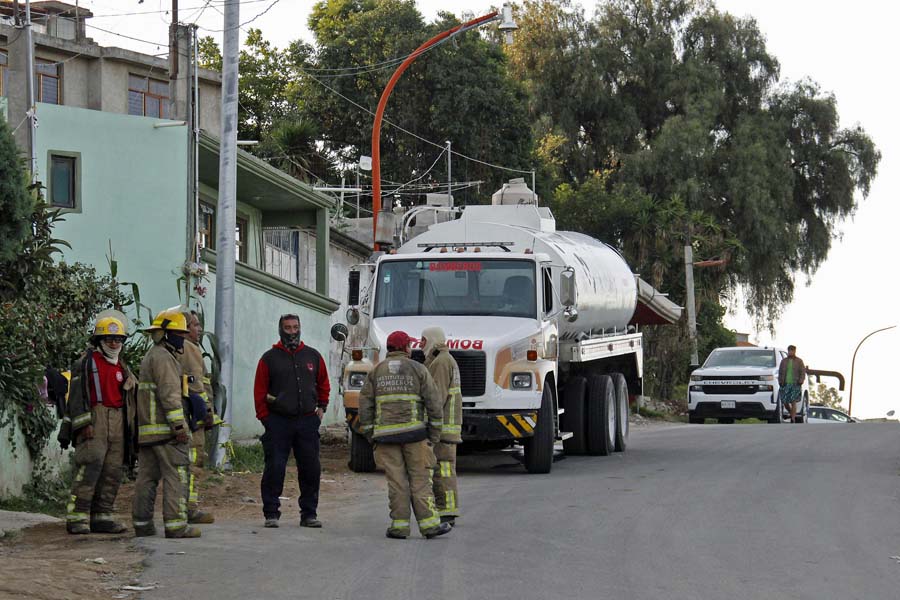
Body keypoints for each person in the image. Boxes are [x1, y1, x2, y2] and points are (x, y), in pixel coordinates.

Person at [358, 330, 451, 540]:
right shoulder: (418, 369)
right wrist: (433, 436)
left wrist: (371, 435)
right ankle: (429, 525)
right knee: (420, 480)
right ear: (407, 347)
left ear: (389, 348)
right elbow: (434, 404)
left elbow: (365, 407)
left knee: (397, 482)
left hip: (385, 439)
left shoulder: (375, 372)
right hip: (415, 436)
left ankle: (399, 527)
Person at [60, 311, 137, 535]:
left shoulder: (122, 367)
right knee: (90, 465)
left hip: (117, 420)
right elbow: (76, 397)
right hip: (96, 418)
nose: (114, 343)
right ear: (99, 341)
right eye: (109, 339)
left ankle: (103, 516)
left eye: (118, 339)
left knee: (113, 469)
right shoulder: (85, 363)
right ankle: (77, 517)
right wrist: (84, 424)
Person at [254, 314, 330, 529]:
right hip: (278, 422)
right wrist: (265, 418)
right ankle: (271, 513)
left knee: (311, 468)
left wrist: (322, 407)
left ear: (300, 329)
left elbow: (323, 382)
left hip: (307, 421)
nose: (292, 331)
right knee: (275, 467)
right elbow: (259, 391)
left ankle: (309, 514)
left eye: (295, 327)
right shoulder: (269, 358)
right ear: (280, 330)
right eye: (287, 328)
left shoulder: (312, 356)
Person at [132, 307, 200, 539]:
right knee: (177, 475)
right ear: (166, 334)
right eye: (179, 335)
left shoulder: (153, 355)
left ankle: (142, 524)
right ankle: (176, 525)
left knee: (147, 478)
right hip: (167, 433)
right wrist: (179, 427)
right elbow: (170, 395)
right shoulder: (164, 358)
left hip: (149, 433)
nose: (183, 339)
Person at [421, 326, 463, 527]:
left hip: (443, 429)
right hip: (448, 428)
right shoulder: (444, 360)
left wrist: (429, 427)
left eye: (422, 340)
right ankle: (448, 510)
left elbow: (435, 398)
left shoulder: (440, 362)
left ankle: (447, 512)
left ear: (432, 340)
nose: (420, 345)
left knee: (443, 471)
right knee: (444, 470)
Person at [176, 310, 215, 524]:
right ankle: (189, 508)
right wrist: (207, 412)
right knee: (194, 463)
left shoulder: (182, 349)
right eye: (194, 325)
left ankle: (186, 507)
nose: (199, 329)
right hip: (193, 418)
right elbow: (196, 387)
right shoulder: (189, 349)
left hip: (186, 416)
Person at [778, 345, 807, 423]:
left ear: (795, 351)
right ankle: (791, 413)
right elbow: (780, 372)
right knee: (785, 401)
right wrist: (780, 381)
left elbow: (803, 372)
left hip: (796, 384)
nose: (791, 352)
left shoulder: (799, 361)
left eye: (792, 350)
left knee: (793, 401)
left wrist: (801, 381)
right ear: (788, 351)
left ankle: (793, 418)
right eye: (789, 350)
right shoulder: (784, 361)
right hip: (785, 384)